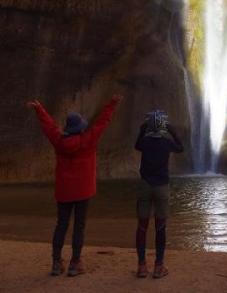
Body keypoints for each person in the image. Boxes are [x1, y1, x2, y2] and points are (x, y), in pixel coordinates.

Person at [27, 94, 122, 277]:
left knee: (61, 225)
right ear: (80, 128)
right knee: (79, 226)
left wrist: (39, 109)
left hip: (64, 191)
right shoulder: (88, 140)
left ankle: (56, 262)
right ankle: (75, 263)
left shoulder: (59, 141)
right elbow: (102, 123)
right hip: (83, 190)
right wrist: (112, 103)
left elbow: (49, 127)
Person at [134, 110, 184, 279]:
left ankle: (141, 266)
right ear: (163, 125)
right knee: (160, 226)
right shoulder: (166, 142)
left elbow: (136, 145)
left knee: (142, 226)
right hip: (162, 186)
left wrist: (142, 129)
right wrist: (172, 130)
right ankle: (158, 266)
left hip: (145, 185)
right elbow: (181, 147)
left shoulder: (145, 142)